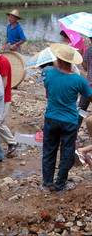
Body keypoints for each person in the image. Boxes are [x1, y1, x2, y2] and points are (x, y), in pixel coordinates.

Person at [41, 43, 92, 195]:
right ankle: (60, 184)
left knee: (49, 151)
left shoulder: (50, 75)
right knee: (67, 152)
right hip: (69, 120)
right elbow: (89, 96)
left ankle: (47, 184)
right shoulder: (78, 80)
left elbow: (47, 95)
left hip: (51, 118)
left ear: (60, 61)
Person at [77, 37, 92, 129]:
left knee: (81, 108)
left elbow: (85, 67)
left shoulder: (90, 50)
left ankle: (75, 130)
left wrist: (81, 56)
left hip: (89, 84)